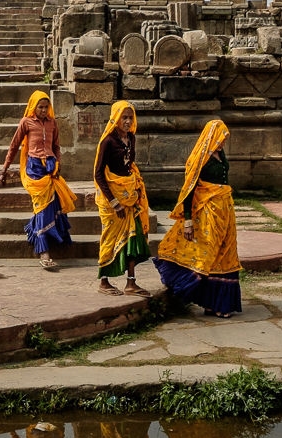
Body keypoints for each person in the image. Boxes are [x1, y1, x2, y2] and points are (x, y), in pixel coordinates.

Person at [155, 120, 241, 317]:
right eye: (220, 138)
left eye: (225, 139)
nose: (222, 143)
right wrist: (187, 220)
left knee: (225, 253)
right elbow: (188, 190)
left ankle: (217, 304)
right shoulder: (200, 158)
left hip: (225, 210)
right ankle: (207, 299)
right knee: (207, 254)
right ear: (211, 137)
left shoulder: (220, 154)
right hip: (207, 211)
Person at [0, 90, 74, 269]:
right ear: (33, 107)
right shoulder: (26, 122)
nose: (43, 110)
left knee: (50, 205)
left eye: (46, 107)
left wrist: (58, 164)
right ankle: (44, 251)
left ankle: (37, 232)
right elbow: (14, 145)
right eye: (40, 107)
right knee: (41, 206)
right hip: (34, 168)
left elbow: (56, 146)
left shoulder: (52, 123)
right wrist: (4, 169)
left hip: (50, 167)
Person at [93, 101, 152, 297]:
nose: (127, 121)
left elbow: (130, 165)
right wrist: (113, 201)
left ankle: (131, 283)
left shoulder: (131, 138)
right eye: (124, 117)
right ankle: (104, 281)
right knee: (110, 239)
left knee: (133, 239)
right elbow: (98, 174)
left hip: (130, 196)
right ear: (115, 118)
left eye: (130, 117)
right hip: (113, 201)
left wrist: (134, 188)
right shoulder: (108, 141)